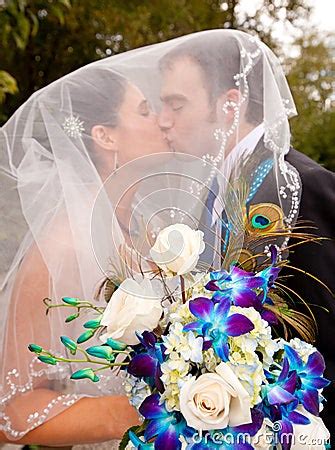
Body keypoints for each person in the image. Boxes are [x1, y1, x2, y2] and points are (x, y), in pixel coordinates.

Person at [158, 29, 335, 438]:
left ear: (229, 106)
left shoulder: (303, 185)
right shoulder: (215, 190)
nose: (164, 120)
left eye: (176, 104)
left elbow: (327, 332)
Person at [0, 64, 168, 447]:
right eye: (144, 110)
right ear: (105, 136)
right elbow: (10, 408)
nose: (161, 120)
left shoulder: (152, 229)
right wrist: (143, 411)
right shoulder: (63, 247)